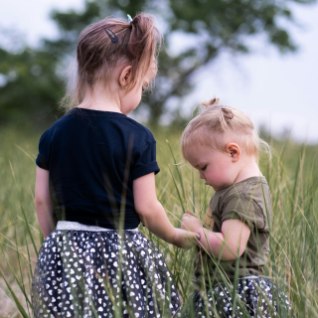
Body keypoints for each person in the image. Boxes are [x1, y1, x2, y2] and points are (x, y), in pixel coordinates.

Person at [32, 13, 196, 318]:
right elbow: (147, 207)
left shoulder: (52, 134)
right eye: (142, 86)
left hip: (65, 246)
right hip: (121, 252)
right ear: (126, 76)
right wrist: (173, 235)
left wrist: (56, 244)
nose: (140, 95)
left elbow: (42, 200)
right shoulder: (139, 137)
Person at [180, 99, 291, 317]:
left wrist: (197, 232)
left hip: (236, 293)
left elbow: (231, 247)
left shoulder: (244, 195)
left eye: (203, 167)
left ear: (233, 153)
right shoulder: (234, 190)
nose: (201, 176)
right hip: (224, 290)